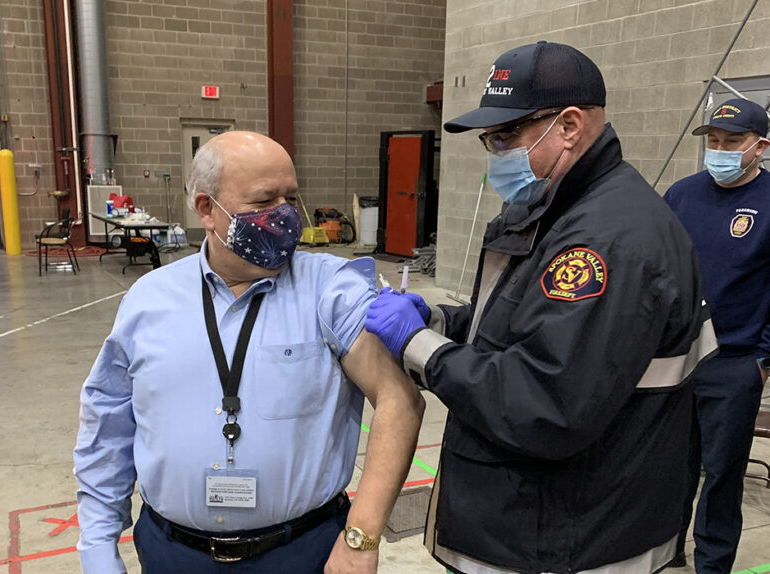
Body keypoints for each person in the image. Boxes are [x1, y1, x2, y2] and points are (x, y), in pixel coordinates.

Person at [364, 41, 714, 574]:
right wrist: (440, 320)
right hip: (539, 524)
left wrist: (418, 347)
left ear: (569, 126)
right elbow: (521, 324)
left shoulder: (608, 242)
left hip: (571, 538)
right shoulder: (557, 206)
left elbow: (543, 403)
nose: (495, 153)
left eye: (506, 137)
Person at [74, 131, 425, 574]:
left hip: (302, 551)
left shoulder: (331, 289)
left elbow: (400, 400)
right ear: (206, 209)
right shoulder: (148, 300)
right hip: (173, 555)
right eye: (262, 203)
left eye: (290, 198)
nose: (284, 215)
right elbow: (107, 425)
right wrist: (99, 546)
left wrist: (361, 537)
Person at [663, 98, 770, 574]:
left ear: (760, 146)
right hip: (676, 356)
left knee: (722, 475)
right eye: (713, 141)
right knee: (669, 470)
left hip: (735, 361)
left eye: (732, 141)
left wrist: (762, 359)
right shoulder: (681, 195)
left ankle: (712, 564)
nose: (719, 149)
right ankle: (666, 551)